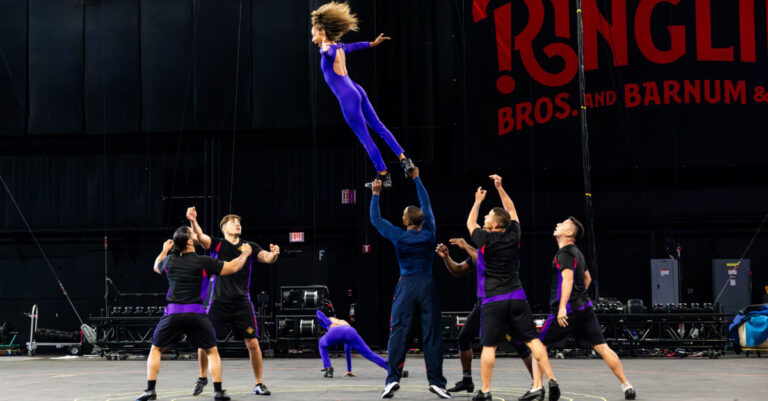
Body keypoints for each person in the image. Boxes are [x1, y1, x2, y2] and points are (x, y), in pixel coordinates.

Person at [466, 175, 559, 401]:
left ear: (495, 224)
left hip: (493, 299)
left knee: (489, 346)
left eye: (489, 216)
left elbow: (470, 223)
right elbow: (512, 211)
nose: (485, 217)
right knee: (532, 340)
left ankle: (486, 391)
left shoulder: (484, 238)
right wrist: (500, 188)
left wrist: (478, 202)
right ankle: (552, 379)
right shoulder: (514, 233)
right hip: (517, 296)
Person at [136, 226, 252, 401]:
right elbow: (233, 267)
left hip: (173, 313)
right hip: (196, 314)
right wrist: (245, 254)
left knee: (156, 349)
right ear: (190, 241)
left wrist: (164, 250)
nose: (196, 236)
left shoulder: (169, 261)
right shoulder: (202, 261)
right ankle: (218, 392)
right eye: (193, 235)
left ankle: (150, 390)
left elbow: (155, 267)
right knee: (212, 351)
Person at [529, 217, 636, 400]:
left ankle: (537, 387)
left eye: (561, 224)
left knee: (538, 346)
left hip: (567, 311)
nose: (557, 224)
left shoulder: (564, 254)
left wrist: (563, 306)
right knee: (603, 347)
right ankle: (627, 386)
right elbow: (587, 279)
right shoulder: (577, 253)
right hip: (584, 308)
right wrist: (578, 297)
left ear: (569, 233)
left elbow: (568, 280)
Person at [310, 1, 415, 188]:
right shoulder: (340, 47)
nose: (312, 36)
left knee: (365, 137)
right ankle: (404, 159)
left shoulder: (327, 50)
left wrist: (324, 46)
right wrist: (373, 43)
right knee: (379, 126)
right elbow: (355, 46)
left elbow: (326, 51)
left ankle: (383, 174)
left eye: (314, 33)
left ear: (323, 33)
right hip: (357, 90)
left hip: (349, 97)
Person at [369, 167, 449, 399]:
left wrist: (376, 194)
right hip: (427, 285)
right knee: (432, 333)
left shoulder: (399, 236)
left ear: (405, 220)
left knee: (398, 332)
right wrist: (417, 179)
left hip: (406, 286)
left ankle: (392, 379)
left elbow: (376, 219)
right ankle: (436, 382)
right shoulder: (430, 232)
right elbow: (427, 204)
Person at [187, 208, 280, 397]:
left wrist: (274, 254)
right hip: (219, 302)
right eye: (233, 222)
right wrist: (194, 221)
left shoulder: (249, 246)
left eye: (239, 222)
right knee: (205, 341)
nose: (238, 224)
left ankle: (259, 383)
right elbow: (201, 237)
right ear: (224, 228)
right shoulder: (218, 244)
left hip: (242, 303)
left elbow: (266, 258)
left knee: (253, 343)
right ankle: (203, 376)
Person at [435, 239, 533, 394]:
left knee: (519, 345)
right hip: (484, 303)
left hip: (502, 302)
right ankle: (467, 380)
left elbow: (486, 261)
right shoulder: (480, 253)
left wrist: (466, 246)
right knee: (463, 339)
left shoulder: (504, 252)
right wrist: (447, 257)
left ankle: (537, 383)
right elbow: (458, 270)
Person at [316, 309, 402, 377]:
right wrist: (349, 370)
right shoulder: (343, 322)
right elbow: (347, 351)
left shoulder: (330, 321)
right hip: (350, 331)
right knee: (369, 354)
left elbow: (318, 312)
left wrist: (326, 322)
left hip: (335, 332)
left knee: (321, 343)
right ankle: (393, 370)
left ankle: (328, 368)